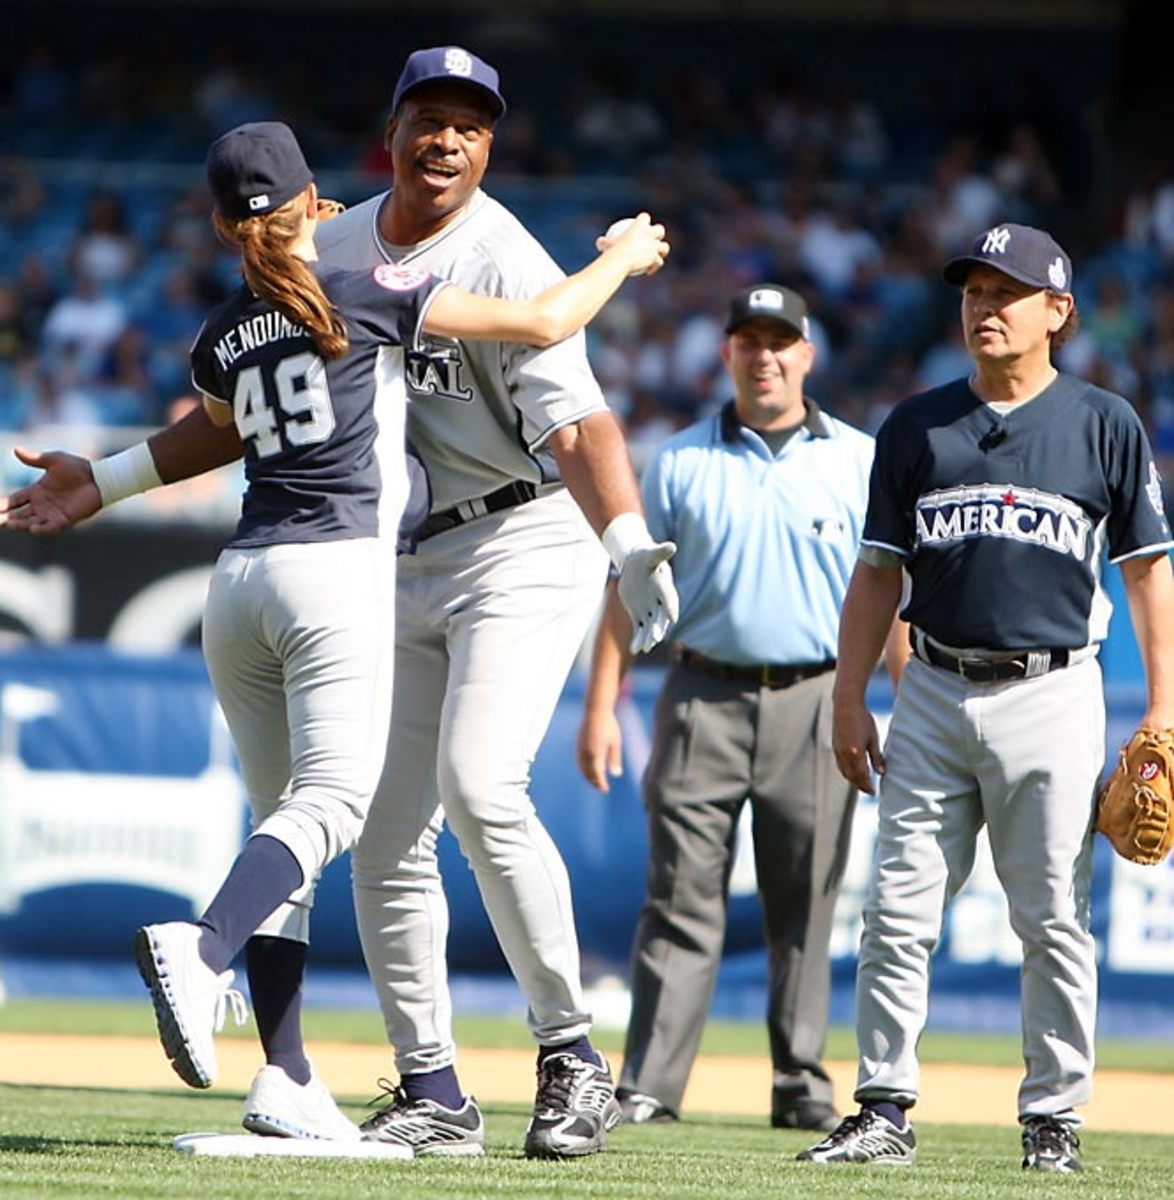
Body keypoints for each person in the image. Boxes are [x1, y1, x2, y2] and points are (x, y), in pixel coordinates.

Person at [0, 48, 679, 1162]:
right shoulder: (349, 247)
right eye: (430, 115)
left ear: (491, 143)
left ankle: (570, 1057)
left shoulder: (495, 249)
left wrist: (624, 538)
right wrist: (110, 475)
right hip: (379, 554)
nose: (448, 138)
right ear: (390, 129)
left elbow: (578, 422)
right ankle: (432, 1085)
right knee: (375, 829)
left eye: (471, 122)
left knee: (475, 783)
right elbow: (223, 421)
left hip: (519, 531)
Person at [798, 224, 1174, 1172]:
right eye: (972, 290)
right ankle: (883, 1107)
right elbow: (877, 574)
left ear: (1058, 312)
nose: (984, 307)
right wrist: (850, 699)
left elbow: (1147, 574)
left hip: (1053, 691)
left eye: (1008, 292)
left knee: (1051, 914)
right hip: (928, 686)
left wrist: (1164, 705)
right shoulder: (916, 424)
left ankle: (1054, 1120)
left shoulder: (1103, 423)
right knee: (895, 909)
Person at [577, 283, 905, 1132]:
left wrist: (905, 702)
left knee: (808, 902)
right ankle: (650, 1083)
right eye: (748, 341)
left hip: (819, 698)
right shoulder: (681, 460)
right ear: (726, 353)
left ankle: (801, 1082)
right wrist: (601, 699)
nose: (764, 356)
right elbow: (632, 588)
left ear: (807, 354)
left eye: (779, 341)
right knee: (680, 897)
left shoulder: (861, 460)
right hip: (702, 694)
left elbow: (886, 596)